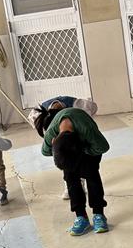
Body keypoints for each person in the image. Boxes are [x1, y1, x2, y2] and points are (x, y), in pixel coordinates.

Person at [41, 106, 111, 235]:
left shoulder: (87, 130)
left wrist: (83, 149)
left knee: (92, 176)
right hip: (69, 148)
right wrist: (56, 148)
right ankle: (81, 217)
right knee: (71, 179)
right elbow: (45, 151)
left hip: (89, 148)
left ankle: (99, 214)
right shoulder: (51, 133)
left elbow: (103, 147)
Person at [27, 95, 98, 201]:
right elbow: (37, 126)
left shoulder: (80, 106)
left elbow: (94, 108)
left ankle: (81, 180)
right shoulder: (37, 114)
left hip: (78, 128)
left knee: (80, 156)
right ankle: (69, 183)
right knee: (64, 155)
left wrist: (82, 124)